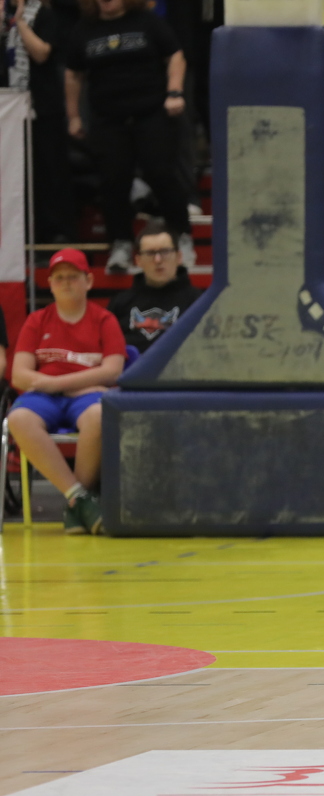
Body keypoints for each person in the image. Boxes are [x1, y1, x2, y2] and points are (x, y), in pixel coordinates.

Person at [65, 0, 193, 275]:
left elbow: (175, 55)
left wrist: (174, 91)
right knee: (112, 181)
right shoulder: (84, 30)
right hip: (108, 119)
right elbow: (73, 74)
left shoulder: (147, 22)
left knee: (162, 174)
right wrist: (74, 115)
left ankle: (181, 237)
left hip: (151, 113)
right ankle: (121, 244)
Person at [7, 249, 127, 535]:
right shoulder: (37, 320)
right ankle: (79, 499)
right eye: (58, 278)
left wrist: (56, 383)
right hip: (44, 397)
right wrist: (63, 385)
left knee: (98, 415)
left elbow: (114, 371)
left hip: (85, 397)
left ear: (88, 280)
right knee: (18, 419)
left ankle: (76, 504)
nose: (65, 283)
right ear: (50, 284)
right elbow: (19, 375)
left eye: (73, 276)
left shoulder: (105, 320)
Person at [8, 0, 74, 243]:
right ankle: (23, 235)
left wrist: (19, 22)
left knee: (50, 173)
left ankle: (57, 233)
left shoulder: (44, 14)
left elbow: (41, 53)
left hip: (44, 108)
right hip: (11, 113)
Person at [106, 220, 202, 354]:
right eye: (150, 253)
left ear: (179, 257)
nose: (158, 260)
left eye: (165, 251)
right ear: (138, 260)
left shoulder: (199, 302)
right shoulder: (119, 304)